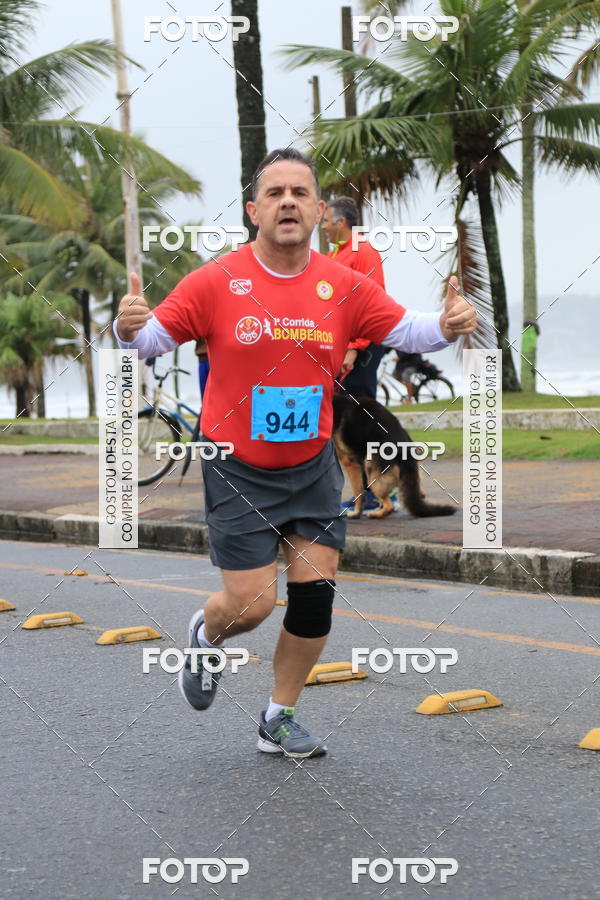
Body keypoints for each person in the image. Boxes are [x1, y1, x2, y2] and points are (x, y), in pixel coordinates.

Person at [113, 148, 477, 759]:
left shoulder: (342, 285)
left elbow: (406, 329)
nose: (288, 201)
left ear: (316, 211)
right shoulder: (216, 281)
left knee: (315, 595)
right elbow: (151, 339)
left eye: (300, 193)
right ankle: (206, 635)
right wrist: (129, 328)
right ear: (254, 210)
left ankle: (277, 717)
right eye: (275, 192)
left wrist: (447, 323)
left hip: (309, 468)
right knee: (253, 604)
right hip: (237, 469)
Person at [322, 196, 390, 510]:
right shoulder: (334, 254)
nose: (322, 226)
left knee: (363, 419)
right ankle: (364, 493)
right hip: (341, 346)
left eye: (326, 221)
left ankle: (382, 493)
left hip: (362, 347)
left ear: (342, 223)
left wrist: (354, 347)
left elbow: (370, 301)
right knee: (347, 423)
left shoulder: (363, 251)